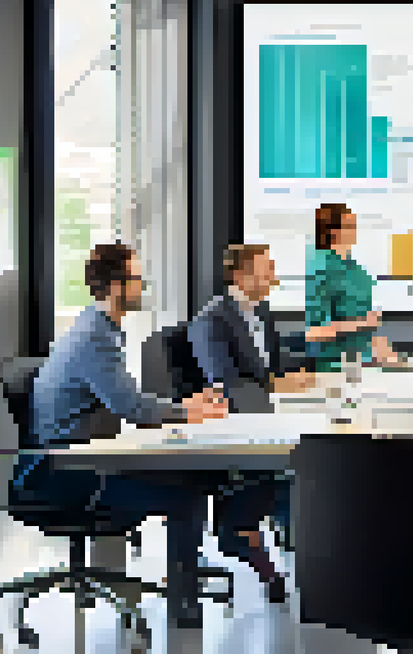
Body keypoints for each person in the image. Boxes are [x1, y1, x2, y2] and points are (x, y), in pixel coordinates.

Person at [15, 243, 229, 627]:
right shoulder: (95, 338)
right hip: (66, 474)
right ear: (115, 287)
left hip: (74, 460)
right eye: (136, 279)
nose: (142, 287)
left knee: (185, 478)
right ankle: (184, 607)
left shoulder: (98, 328)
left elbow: (128, 400)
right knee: (187, 495)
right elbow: (134, 410)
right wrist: (188, 412)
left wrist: (184, 405)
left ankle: (181, 586)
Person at [187, 243, 303, 603]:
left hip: (266, 413)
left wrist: (303, 376)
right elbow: (224, 380)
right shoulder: (212, 321)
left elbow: (276, 363)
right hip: (237, 421)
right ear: (239, 275)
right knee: (296, 471)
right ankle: (246, 530)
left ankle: (296, 535)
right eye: (266, 270)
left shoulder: (261, 312)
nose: (273, 277)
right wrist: (275, 385)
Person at [305, 202, 402, 371]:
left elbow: (362, 322)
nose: (355, 231)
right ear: (333, 232)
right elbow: (315, 332)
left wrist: (376, 345)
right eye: (349, 226)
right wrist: (362, 323)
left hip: (363, 360)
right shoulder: (322, 268)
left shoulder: (356, 270)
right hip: (336, 364)